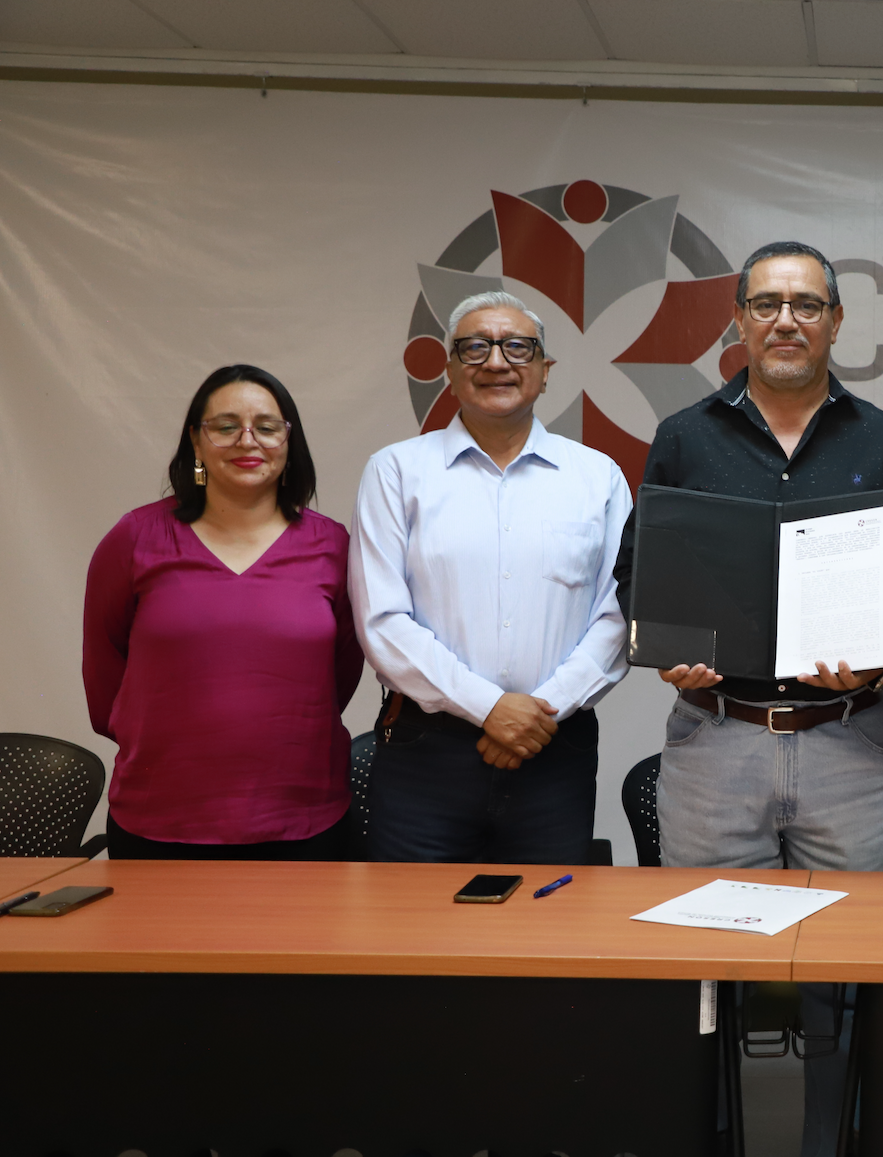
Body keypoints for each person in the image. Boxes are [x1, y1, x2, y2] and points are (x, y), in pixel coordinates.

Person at [612, 240, 883, 1157]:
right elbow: (639, 572)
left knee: (848, 977)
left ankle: (828, 1146)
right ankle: (710, 1140)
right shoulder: (684, 436)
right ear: (739, 321)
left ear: (835, 321)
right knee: (704, 972)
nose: (786, 321)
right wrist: (669, 650)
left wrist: (879, 661)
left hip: (846, 741)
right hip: (716, 740)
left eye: (806, 304)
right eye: (766, 304)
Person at [350, 290, 631, 864]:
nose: (497, 362)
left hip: (554, 747)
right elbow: (382, 620)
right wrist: (490, 708)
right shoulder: (395, 471)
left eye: (518, 348)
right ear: (449, 370)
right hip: (426, 752)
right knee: (411, 918)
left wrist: (538, 712)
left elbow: (619, 614)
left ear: (546, 371)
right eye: (475, 348)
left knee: (548, 916)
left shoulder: (598, 476)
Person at [82, 365, 362, 859]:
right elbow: (105, 669)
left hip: (305, 819)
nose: (247, 440)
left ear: (289, 441)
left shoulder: (333, 546)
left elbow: (340, 672)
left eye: (267, 427)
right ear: (195, 439)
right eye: (226, 426)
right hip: (158, 816)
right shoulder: (134, 538)